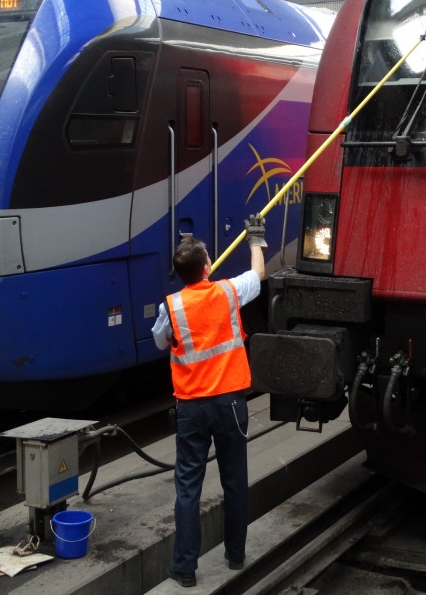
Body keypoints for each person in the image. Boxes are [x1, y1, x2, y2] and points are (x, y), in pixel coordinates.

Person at [152, 214, 268, 588]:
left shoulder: (170, 307)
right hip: (230, 405)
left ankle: (184, 569)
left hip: (190, 409)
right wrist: (255, 240)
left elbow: (160, 341)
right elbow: (259, 275)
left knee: (188, 488)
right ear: (206, 268)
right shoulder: (228, 291)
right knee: (235, 481)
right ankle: (235, 556)